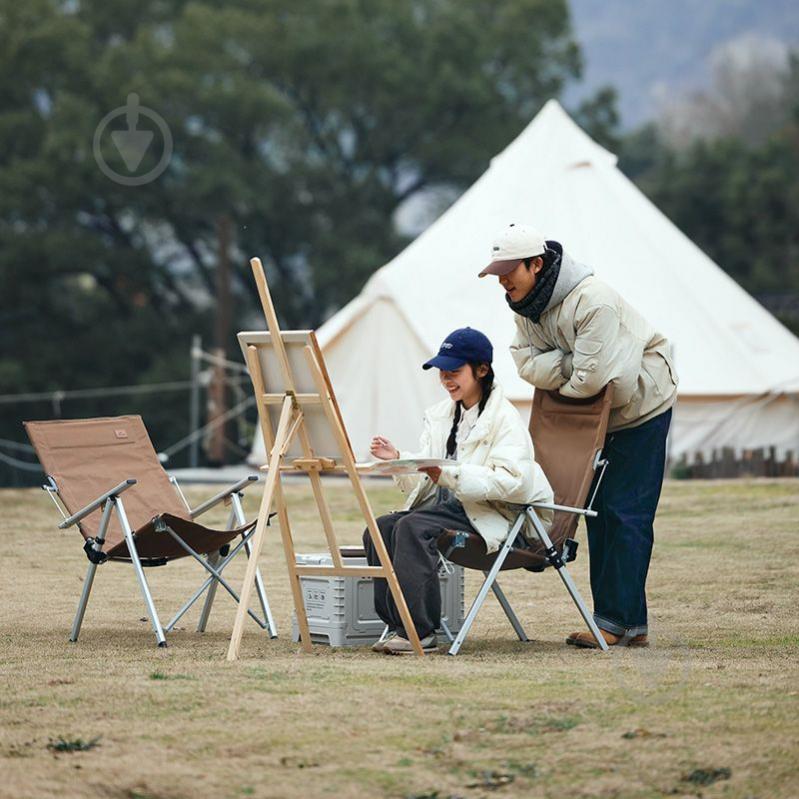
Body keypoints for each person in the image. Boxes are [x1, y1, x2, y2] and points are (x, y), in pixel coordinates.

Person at [480, 223, 678, 648]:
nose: (502, 280)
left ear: (536, 264)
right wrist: (572, 366)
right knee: (597, 516)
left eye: (508, 270)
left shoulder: (594, 301)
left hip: (641, 409)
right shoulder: (524, 306)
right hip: (593, 416)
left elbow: (596, 381)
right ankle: (626, 625)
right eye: (498, 272)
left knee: (626, 514)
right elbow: (523, 363)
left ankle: (615, 623)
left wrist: (562, 369)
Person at [363, 327, 553, 655]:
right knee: (379, 529)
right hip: (449, 510)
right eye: (442, 372)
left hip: (492, 517)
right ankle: (400, 624)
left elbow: (512, 482)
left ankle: (420, 631)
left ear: (482, 370)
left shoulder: (505, 419)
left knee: (410, 527)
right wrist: (398, 460)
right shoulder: (440, 417)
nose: (446, 379)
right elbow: (428, 480)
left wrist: (451, 476)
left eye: (454, 371)